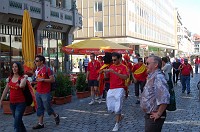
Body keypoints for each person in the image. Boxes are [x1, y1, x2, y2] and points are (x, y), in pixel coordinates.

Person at [140, 55, 170, 132]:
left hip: (154, 116)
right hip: (150, 114)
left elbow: (164, 97)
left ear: (156, 65)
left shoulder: (158, 77)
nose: (145, 65)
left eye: (147, 63)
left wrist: (159, 113)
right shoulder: (152, 76)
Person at [32, 55, 60, 129]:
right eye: (35, 61)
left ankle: (55, 115)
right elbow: (37, 79)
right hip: (38, 91)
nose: (35, 62)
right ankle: (40, 123)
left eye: (37, 61)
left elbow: (52, 80)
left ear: (42, 62)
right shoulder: (37, 69)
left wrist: (43, 80)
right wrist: (34, 81)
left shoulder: (47, 69)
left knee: (47, 108)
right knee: (39, 107)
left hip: (45, 92)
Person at [104, 52, 129, 131]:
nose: (113, 61)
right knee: (110, 108)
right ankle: (120, 116)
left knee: (118, 108)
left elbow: (125, 77)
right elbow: (107, 78)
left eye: (115, 60)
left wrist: (115, 72)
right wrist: (105, 73)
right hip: (111, 89)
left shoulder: (124, 67)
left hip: (120, 88)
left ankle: (117, 124)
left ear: (119, 59)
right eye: (112, 60)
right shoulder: (111, 66)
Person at [0, 62, 28, 132]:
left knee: (16, 124)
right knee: (18, 121)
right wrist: (1, 100)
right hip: (12, 103)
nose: (14, 68)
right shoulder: (10, 78)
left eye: (16, 67)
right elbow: (6, 90)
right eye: (13, 67)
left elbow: (22, 85)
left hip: (21, 103)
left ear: (19, 68)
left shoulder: (21, 78)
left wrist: (26, 77)